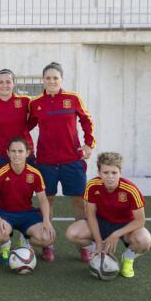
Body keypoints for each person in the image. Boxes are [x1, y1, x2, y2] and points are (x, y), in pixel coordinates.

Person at [29, 62, 95, 260]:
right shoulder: (35, 103)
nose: (51, 81)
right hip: (46, 162)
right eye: (48, 78)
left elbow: (87, 120)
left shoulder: (73, 98)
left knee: (79, 202)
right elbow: (25, 126)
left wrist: (88, 145)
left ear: (61, 79)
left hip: (72, 161)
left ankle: (83, 244)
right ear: (43, 80)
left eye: (55, 78)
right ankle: (48, 244)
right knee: (47, 201)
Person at [66, 152, 151, 277]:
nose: (110, 177)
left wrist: (116, 234)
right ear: (99, 173)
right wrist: (99, 242)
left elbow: (140, 221)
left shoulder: (130, 190)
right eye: (105, 172)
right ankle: (98, 250)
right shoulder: (92, 185)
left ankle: (127, 259)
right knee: (72, 233)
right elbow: (91, 215)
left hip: (124, 225)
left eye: (114, 172)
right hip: (101, 221)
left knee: (144, 240)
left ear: (120, 172)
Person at [0, 137, 55, 264]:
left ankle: (26, 241)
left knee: (48, 238)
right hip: (5, 213)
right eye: (13, 151)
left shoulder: (34, 174)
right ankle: (5, 246)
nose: (17, 154)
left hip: (27, 213)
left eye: (20, 151)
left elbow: (43, 200)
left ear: (27, 153)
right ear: (8, 153)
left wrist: (46, 220)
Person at [0, 69, 35, 171]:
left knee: (28, 185)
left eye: (8, 82)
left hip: (25, 153)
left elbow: (34, 119)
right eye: (1, 82)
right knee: (1, 186)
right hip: (2, 154)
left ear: (14, 83)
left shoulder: (25, 101)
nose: (4, 85)